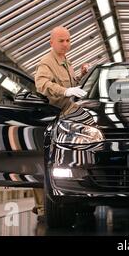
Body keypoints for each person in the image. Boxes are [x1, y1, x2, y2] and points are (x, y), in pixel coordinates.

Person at [32, 26, 89, 220]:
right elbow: (42, 84)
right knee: (45, 162)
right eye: (61, 41)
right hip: (51, 118)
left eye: (68, 40)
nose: (66, 44)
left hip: (67, 118)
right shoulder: (46, 62)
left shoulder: (65, 61)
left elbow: (70, 84)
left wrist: (80, 75)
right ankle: (42, 208)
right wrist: (65, 92)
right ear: (51, 42)